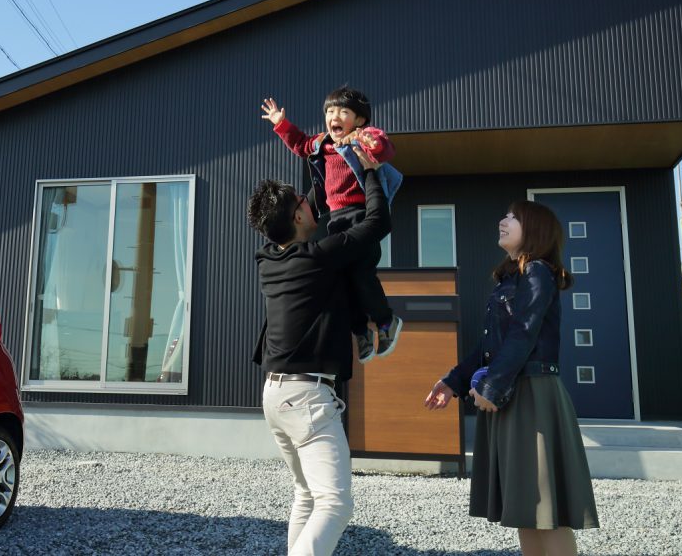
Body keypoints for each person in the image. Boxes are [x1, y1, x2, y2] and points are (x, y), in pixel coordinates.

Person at [424, 200, 598, 556]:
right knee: (524, 507)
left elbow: (524, 333)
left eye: (512, 217)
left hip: (533, 395)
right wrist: (453, 382)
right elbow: (489, 346)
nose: (503, 221)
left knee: (545, 509)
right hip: (511, 394)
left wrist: (491, 385)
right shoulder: (512, 277)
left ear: (534, 229)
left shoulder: (538, 271)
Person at [248, 151, 389, 555]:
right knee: (335, 503)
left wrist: (324, 157)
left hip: (275, 397)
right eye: (305, 204)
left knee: (306, 495)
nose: (314, 203)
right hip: (308, 397)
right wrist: (370, 172)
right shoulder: (318, 258)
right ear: (296, 217)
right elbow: (378, 223)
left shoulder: (267, 261)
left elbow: (312, 200)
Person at [259, 86, 403, 363]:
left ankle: (386, 322)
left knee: (362, 277)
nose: (334, 116)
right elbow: (300, 144)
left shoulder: (361, 137)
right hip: (336, 220)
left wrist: (368, 141)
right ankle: (360, 332)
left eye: (343, 112)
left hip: (361, 215)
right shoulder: (323, 144)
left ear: (359, 120)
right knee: (342, 281)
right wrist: (281, 123)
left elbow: (384, 147)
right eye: (330, 111)